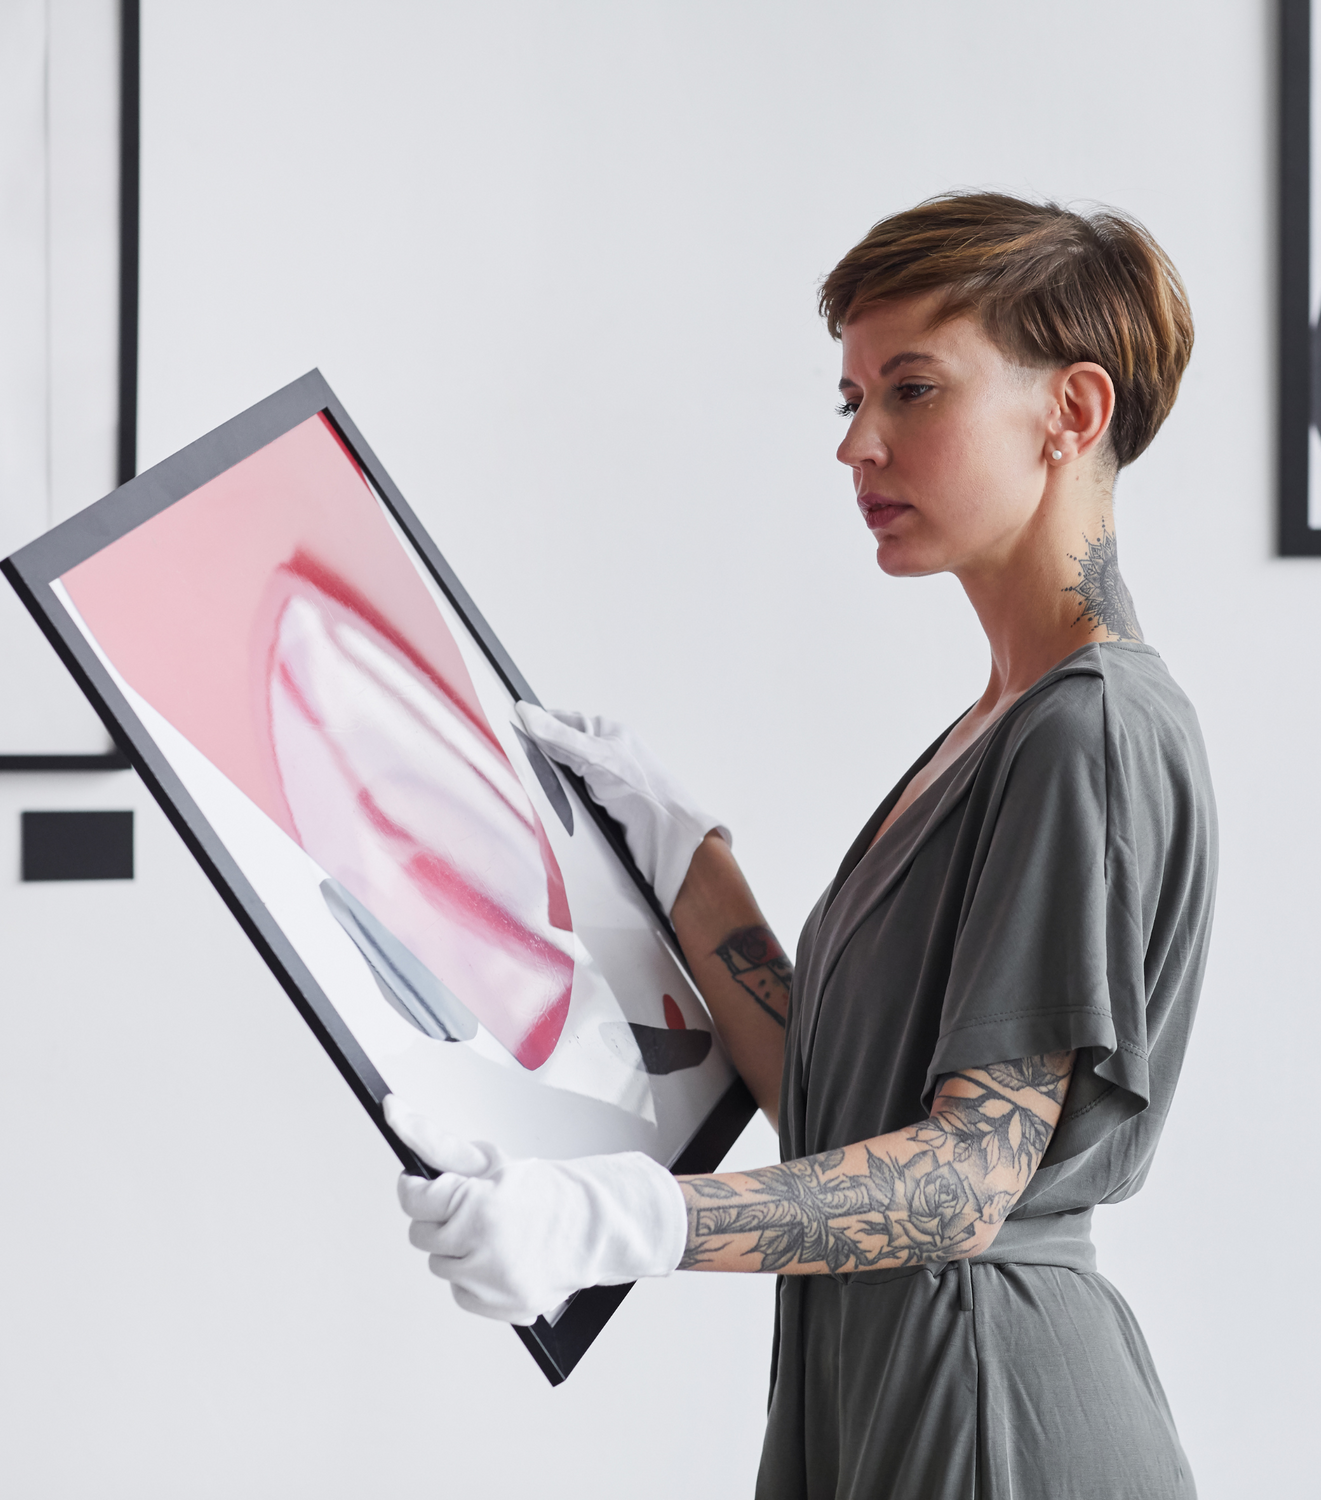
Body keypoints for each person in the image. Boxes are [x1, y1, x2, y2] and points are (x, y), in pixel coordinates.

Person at [386, 191, 1217, 1500]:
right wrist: (680, 855)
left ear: (1074, 412)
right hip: (883, 1380)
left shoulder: (1088, 733)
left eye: (913, 391)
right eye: (850, 400)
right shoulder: (1000, 723)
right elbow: (842, 1100)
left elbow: (959, 1183)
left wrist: (617, 1220)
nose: (859, 446)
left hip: (987, 1411)